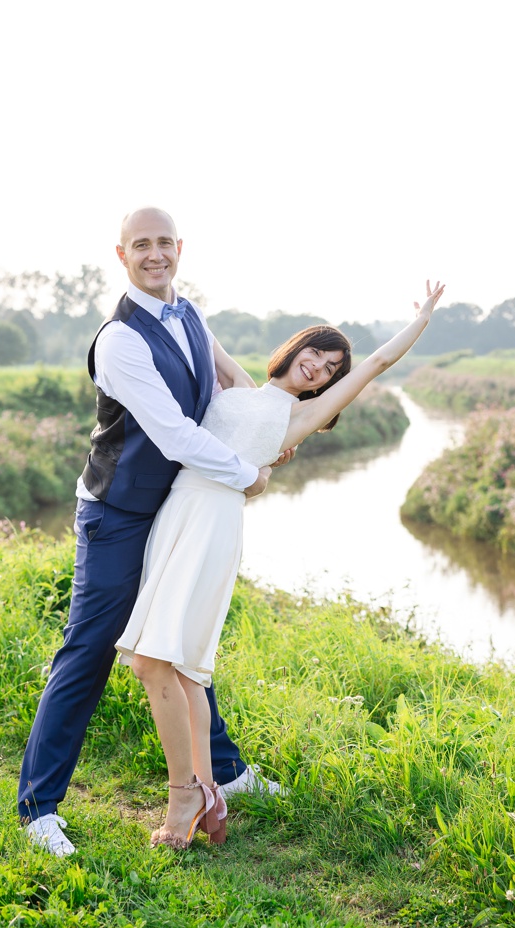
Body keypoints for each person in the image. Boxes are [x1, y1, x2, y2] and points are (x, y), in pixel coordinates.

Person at [115, 280, 445, 847]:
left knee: (160, 660)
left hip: (214, 521)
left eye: (332, 366)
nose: (320, 366)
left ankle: (185, 800)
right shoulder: (241, 385)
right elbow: (200, 330)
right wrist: (169, 284)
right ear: (295, 348)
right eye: (316, 351)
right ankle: (208, 792)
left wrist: (422, 320)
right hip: (177, 512)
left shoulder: (302, 417)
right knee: (185, 667)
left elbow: (380, 361)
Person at [19, 206, 290, 857]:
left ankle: (223, 771)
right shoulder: (119, 340)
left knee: (184, 636)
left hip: (175, 506)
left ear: (179, 248)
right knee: (88, 650)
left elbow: (233, 380)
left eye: (164, 242)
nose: (155, 253)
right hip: (117, 514)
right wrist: (245, 472)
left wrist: (267, 429)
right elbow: (171, 430)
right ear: (122, 254)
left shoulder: (190, 313)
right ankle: (39, 807)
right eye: (141, 244)